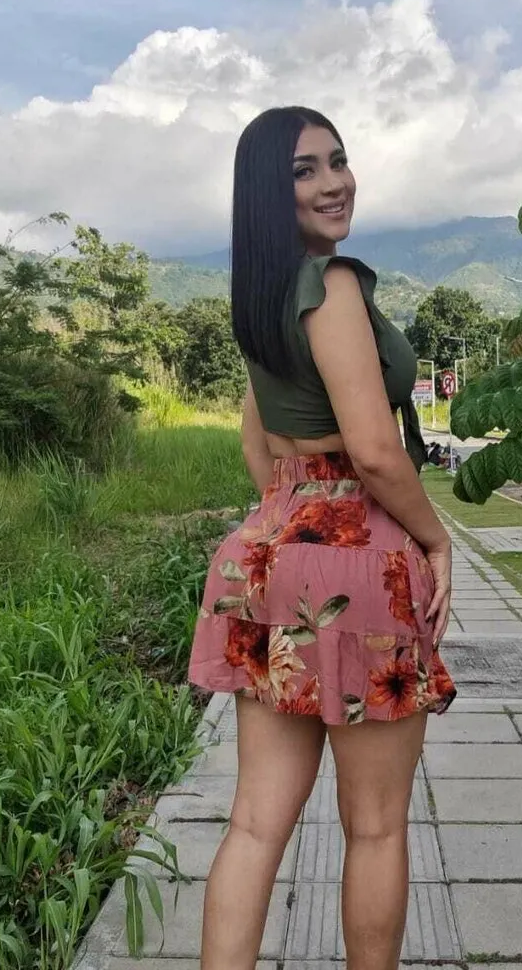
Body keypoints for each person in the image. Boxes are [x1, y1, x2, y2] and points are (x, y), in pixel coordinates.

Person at [187, 105, 457, 970]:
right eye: (305, 170)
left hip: (268, 552)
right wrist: (436, 540)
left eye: (337, 160)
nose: (334, 182)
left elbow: (259, 447)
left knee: (255, 822)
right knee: (374, 827)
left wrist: (293, 522)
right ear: (270, 193)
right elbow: (375, 451)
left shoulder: (262, 296)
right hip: (358, 560)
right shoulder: (331, 286)